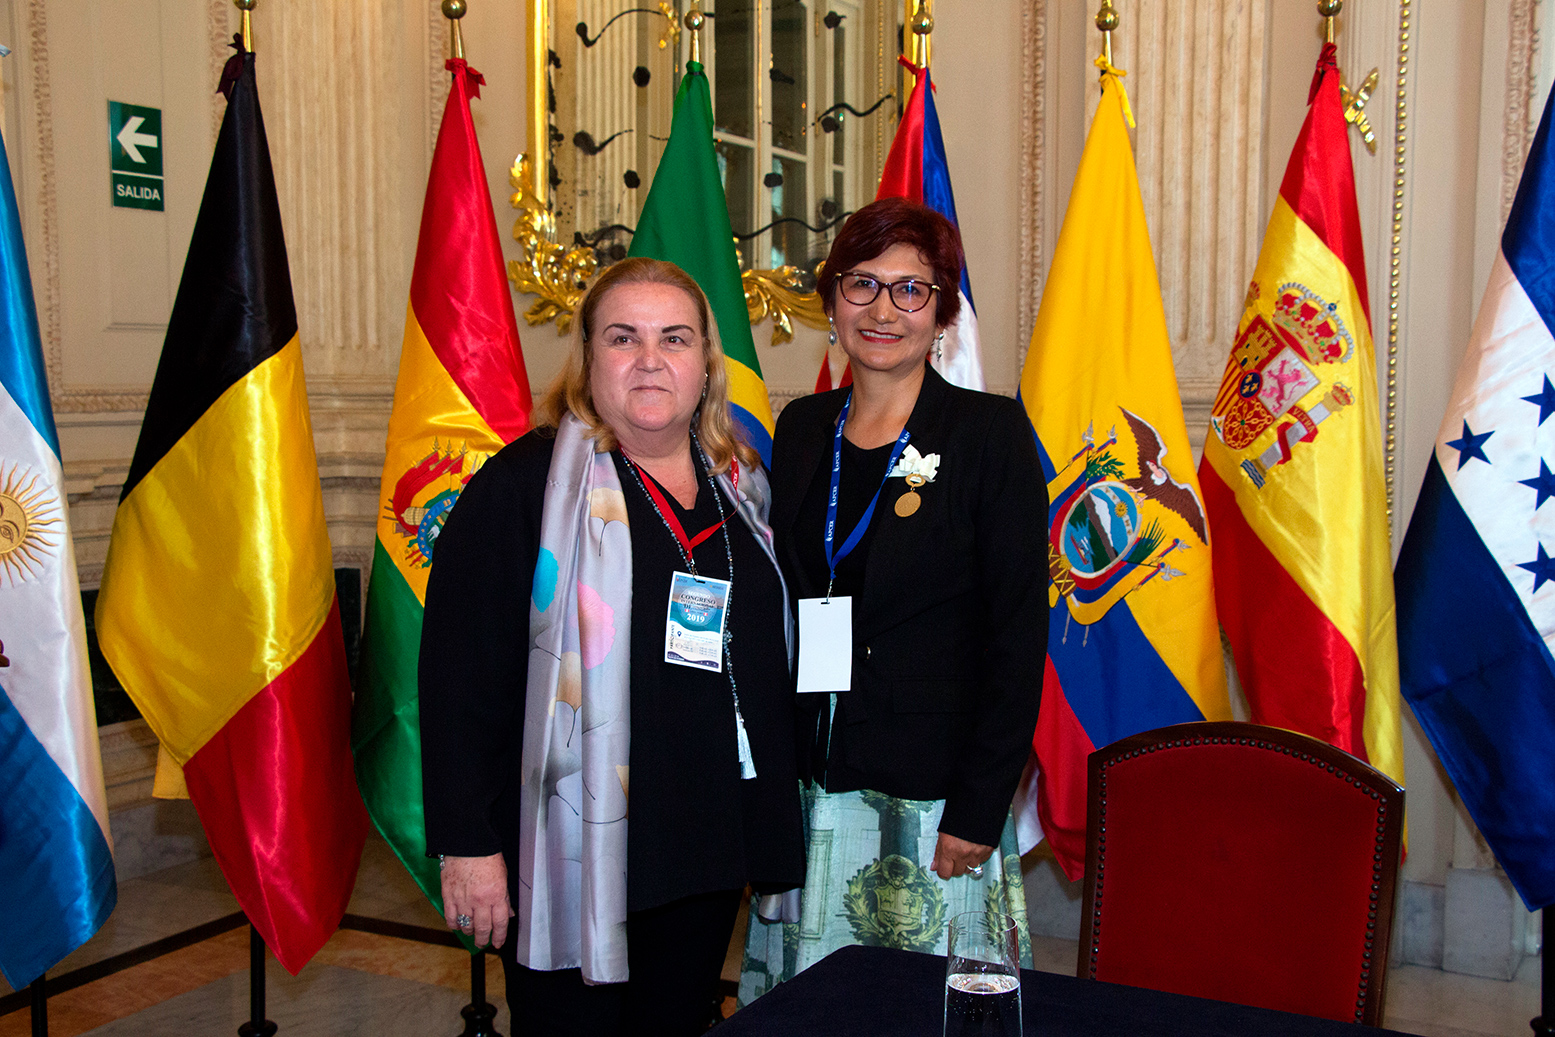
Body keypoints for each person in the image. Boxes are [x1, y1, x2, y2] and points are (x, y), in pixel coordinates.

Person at [420, 257, 804, 1036]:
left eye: (675, 338)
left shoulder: (740, 485)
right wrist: (468, 845)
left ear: (706, 364)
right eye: (623, 338)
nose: (650, 359)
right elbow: (458, 678)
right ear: (589, 359)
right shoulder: (526, 487)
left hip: (702, 847)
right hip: (570, 851)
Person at [740, 197, 1048, 1001]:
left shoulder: (988, 434)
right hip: (811, 779)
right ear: (832, 299)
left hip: (931, 794)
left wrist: (979, 805)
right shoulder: (802, 427)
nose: (883, 310)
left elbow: (1017, 639)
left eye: (910, 289)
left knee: (917, 1005)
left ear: (941, 313)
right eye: (861, 284)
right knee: (815, 1006)